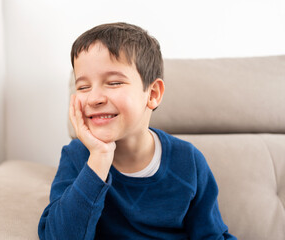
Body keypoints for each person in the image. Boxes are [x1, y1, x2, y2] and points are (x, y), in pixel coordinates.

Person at [38, 22, 237, 240]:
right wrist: (99, 157)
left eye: (113, 83)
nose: (94, 99)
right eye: (83, 87)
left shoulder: (188, 160)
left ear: (152, 94)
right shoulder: (77, 156)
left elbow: (212, 236)